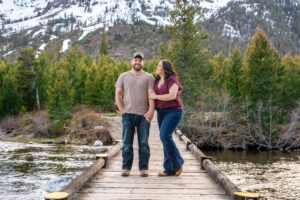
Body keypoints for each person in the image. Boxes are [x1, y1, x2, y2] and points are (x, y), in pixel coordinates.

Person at [115, 52, 155, 177]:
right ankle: (126, 168)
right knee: (127, 143)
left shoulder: (149, 77)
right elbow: (118, 94)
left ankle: (144, 168)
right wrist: (121, 109)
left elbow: (151, 95)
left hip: (144, 116)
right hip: (128, 115)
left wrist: (151, 111)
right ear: (131, 61)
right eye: (135, 60)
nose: (137, 62)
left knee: (143, 143)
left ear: (143, 63)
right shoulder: (123, 76)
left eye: (140, 60)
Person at [149, 60, 184, 176]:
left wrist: (156, 96)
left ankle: (178, 164)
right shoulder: (157, 80)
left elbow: (172, 95)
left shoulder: (172, 79)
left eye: (159, 65)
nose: (157, 67)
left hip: (174, 111)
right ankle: (169, 169)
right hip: (161, 112)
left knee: (165, 136)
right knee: (165, 139)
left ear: (164, 68)